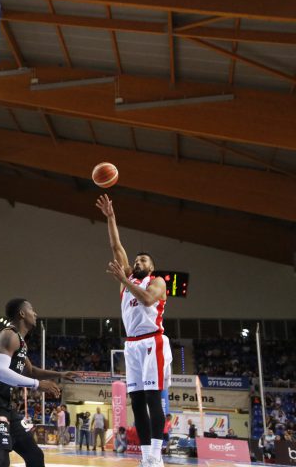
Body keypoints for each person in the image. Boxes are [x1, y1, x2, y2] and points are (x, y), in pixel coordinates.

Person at [98, 195, 172, 467]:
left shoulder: (157, 282)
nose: (138, 262)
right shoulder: (126, 278)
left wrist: (123, 280)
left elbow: (148, 300)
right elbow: (116, 245)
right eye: (137, 260)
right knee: (137, 402)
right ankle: (146, 457)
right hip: (132, 345)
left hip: (153, 342)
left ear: (150, 267)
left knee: (153, 398)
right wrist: (110, 216)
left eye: (143, 261)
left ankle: (157, 456)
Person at [0, 298, 77, 467]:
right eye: (31, 309)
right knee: (0, 460)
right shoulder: (9, 335)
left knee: (35, 455)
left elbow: (31, 371)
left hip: (3, 403)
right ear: (22, 313)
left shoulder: (21, 343)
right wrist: (37, 384)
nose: (35, 313)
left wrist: (60, 374)